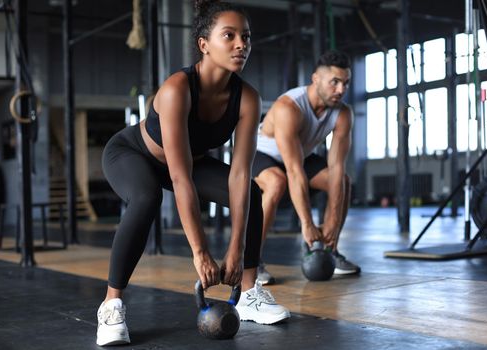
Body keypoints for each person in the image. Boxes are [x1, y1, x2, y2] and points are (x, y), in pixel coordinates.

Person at [96, 1, 290, 346]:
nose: (241, 44)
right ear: (204, 44)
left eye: (245, 37)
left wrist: (236, 249)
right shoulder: (177, 90)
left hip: (191, 161)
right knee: (146, 198)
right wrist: (200, 252)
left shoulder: (247, 98)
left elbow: (239, 175)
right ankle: (112, 304)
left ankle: (248, 294)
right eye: (229, 36)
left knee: (255, 192)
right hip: (132, 153)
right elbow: (180, 177)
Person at [253, 50, 360, 285]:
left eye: (346, 83)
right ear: (316, 79)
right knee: (276, 181)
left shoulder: (343, 113)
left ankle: (330, 250)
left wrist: (332, 220)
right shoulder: (288, 107)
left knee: (342, 180)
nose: (341, 90)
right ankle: (251, 261)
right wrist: (307, 223)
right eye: (335, 82)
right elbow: (294, 171)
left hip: (300, 156)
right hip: (263, 154)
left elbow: (337, 166)